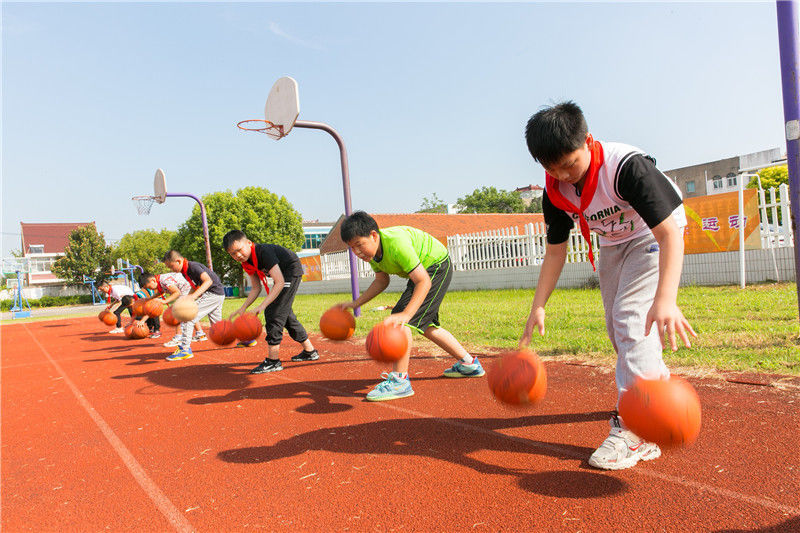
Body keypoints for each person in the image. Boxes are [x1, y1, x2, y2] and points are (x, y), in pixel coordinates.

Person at [519, 101, 696, 470]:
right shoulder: (554, 191)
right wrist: (539, 304)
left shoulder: (626, 167)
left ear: (587, 140)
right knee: (620, 331)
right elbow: (555, 253)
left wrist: (666, 299)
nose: (564, 174)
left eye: (570, 164)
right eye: (552, 168)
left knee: (632, 319)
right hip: (615, 242)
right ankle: (655, 390)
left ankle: (636, 430)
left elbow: (669, 235)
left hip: (653, 233)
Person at [337, 211, 482, 402]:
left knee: (401, 320)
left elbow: (423, 281)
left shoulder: (396, 244)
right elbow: (381, 281)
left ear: (373, 235)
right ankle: (469, 364)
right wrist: (356, 303)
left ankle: (400, 381)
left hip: (435, 266)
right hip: (426, 271)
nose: (357, 252)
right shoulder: (373, 254)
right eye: (352, 248)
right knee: (426, 326)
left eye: (359, 245)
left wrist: (405, 314)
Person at [223, 230, 319, 374]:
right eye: (232, 253)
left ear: (249, 243)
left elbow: (279, 282)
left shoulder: (263, 252)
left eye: (239, 250)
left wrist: (262, 306)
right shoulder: (246, 263)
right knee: (285, 315)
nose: (237, 255)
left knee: (274, 312)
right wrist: (243, 307)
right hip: (282, 276)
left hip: (291, 270)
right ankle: (310, 351)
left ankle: (273, 361)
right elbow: (256, 287)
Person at [161, 250, 226, 362]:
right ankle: (245, 337)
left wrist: (193, 297)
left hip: (213, 293)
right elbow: (195, 286)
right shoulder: (185, 271)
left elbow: (208, 281)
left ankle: (185, 350)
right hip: (217, 294)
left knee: (187, 317)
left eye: (171, 266)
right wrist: (187, 297)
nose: (171, 270)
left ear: (178, 261)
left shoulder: (193, 267)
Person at [138, 271, 206, 346]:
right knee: (188, 314)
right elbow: (160, 292)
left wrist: (164, 301)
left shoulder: (164, 281)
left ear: (153, 281)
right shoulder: (159, 280)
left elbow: (177, 292)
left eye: (148, 287)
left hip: (188, 290)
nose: (149, 289)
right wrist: (149, 299)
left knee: (177, 312)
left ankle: (178, 337)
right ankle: (200, 334)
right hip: (188, 289)